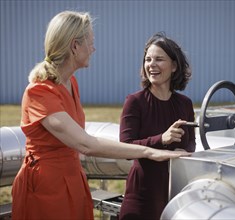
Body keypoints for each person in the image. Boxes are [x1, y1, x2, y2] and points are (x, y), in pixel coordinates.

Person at [11, 11, 191, 220]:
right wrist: (151, 151)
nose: (93, 48)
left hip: (72, 179)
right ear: (74, 46)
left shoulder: (70, 84)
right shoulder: (39, 92)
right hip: (46, 186)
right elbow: (86, 144)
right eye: (90, 42)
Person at [119, 32, 196, 220]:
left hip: (176, 193)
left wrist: (183, 149)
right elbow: (126, 147)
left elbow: (192, 143)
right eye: (148, 59)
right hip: (142, 196)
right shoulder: (135, 102)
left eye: (159, 59)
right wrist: (161, 139)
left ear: (174, 66)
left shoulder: (185, 104)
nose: (151, 65)